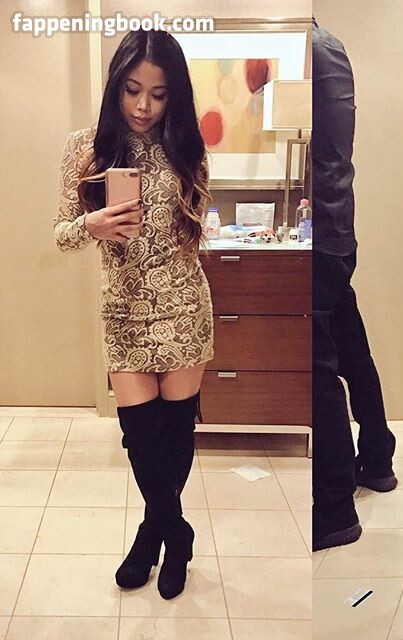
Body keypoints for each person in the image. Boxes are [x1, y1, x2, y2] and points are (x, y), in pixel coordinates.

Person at [54, 29, 212, 600]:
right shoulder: (85, 148)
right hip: (123, 312)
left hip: (183, 307)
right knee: (140, 439)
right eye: (132, 90)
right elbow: (60, 234)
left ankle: (152, 538)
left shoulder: (188, 148)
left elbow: (193, 237)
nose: (144, 106)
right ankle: (175, 532)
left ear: (175, 96)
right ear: (115, 86)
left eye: (159, 94)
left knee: (175, 435)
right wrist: (91, 224)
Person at [312, 18, 397, 552]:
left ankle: (334, 509)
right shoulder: (328, 46)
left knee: (320, 371)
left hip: (321, 234)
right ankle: (378, 457)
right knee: (348, 347)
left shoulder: (311, 48)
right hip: (335, 229)